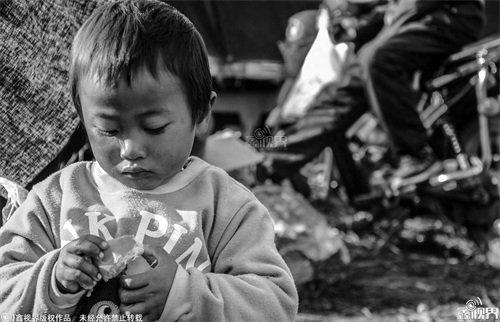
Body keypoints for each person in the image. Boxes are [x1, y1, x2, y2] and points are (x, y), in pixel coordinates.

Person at [0, 1, 298, 321]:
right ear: (82, 116)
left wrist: (183, 293)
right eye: (109, 129)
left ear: (202, 114)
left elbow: (275, 305)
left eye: (154, 128)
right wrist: (53, 281)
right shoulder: (54, 199)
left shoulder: (227, 206)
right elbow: (6, 294)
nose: (130, 149)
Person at [357, 0, 486, 179]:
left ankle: (416, 155)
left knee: (379, 59)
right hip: (429, 16)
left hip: (446, 18)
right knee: (367, 57)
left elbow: (413, 5)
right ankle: (374, 147)